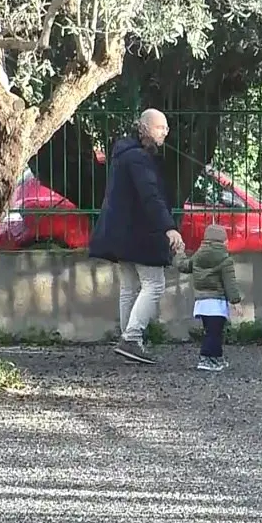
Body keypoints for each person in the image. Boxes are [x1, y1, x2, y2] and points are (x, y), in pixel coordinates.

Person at [89, 109, 184, 365]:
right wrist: (169, 227)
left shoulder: (123, 154)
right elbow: (150, 196)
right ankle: (132, 337)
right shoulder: (139, 159)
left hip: (121, 233)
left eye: (166, 128)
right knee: (155, 284)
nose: (165, 132)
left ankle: (130, 341)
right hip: (140, 232)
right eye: (160, 127)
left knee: (130, 287)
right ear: (145, 128)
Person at [173, 223, 243, 372]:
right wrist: (236, 301)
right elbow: (230, 283)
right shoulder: (225, 260)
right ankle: (207, 358)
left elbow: (184, 266)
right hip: (217, 303)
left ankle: (217, 358)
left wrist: (180, 253)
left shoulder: (198, 256)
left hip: (201, 302)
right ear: (223, 242)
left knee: (210, 331)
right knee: (215, 333)